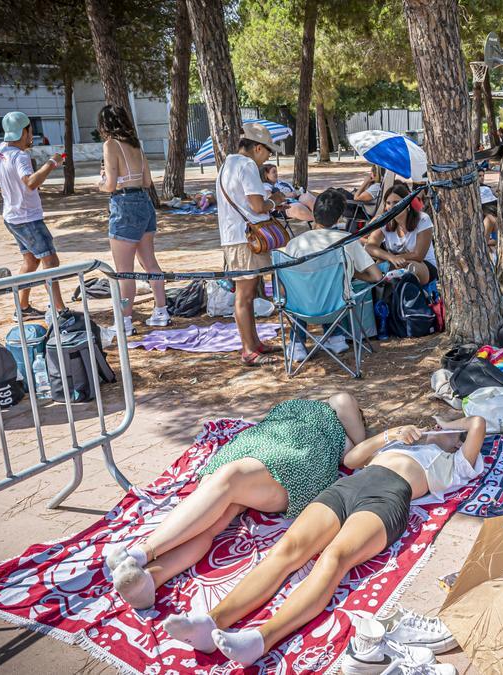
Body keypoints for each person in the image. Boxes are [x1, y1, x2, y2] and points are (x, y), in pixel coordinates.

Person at [161, 415, 489, 664]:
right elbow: (352, 460)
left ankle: (263, 638)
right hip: (346, 489)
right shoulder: (398, 443)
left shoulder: (455, 465)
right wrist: (395, 433)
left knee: (333, 558)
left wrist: (448, 426)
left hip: (387, 499)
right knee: (287, 550)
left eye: (453, 437)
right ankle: (212, 622)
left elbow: (477, 422)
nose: (445, 436)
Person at [105, 394, 378, 610]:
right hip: (256, 449)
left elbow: (354, 448)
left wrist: (368, 433)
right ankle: (149, 581)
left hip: (289, 458)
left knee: (228, 479)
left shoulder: (338, 412)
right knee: (212, 522)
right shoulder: (317, 415)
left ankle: (139, 553)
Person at [280, 190, 383, 362]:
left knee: (301, 289)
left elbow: (284, 286)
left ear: (313, 213)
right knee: (331, 286)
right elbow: (376, 276)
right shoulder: (347, 240)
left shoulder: (294, 244)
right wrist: (351, 272)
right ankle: (336, 338)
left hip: (301, 309)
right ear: (340, 218)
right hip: (337, 307)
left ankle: (297, 344)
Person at [217, 123, 286, 366]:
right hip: (245, 238)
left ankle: (254, 343)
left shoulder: (229, 163)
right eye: (268, 151)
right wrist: (275, 202)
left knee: (246, 293)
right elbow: (257, 206)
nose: (268, 157)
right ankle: (248, 348)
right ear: (257, 148)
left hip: (235, 237)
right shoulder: (247, 165)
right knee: (245, 295)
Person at [95, 105, 168, 335]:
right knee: (150, 263)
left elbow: (109, 185)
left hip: (124, 204)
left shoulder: (110, 145)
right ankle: (161, 311)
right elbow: (147, 182)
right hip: (143, 202)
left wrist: (101, 182)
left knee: (123, 271)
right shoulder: (136, 145)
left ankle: (124, 321)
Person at [0, 111, 68, 317]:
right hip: (28, 218)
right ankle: (60, 311)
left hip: (12, 216)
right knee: (50, 262)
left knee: (31, 262)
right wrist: (52, 163)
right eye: (30, 131)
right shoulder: (21, 156)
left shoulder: (1, 149)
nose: (32, 136)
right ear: (25, 131)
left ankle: (22, 307)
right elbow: (31, 183)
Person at [364, 182, 437, 286]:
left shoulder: (422, 219)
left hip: (423, 265)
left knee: (410, 268)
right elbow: (369, 247)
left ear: (407, 204)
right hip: (395, 262)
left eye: (396, 202)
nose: (392, 207)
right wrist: (391, 258)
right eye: (388, 203)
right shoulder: (385, 221)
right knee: (375, 267)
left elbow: (418, 256)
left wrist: (395, 259)